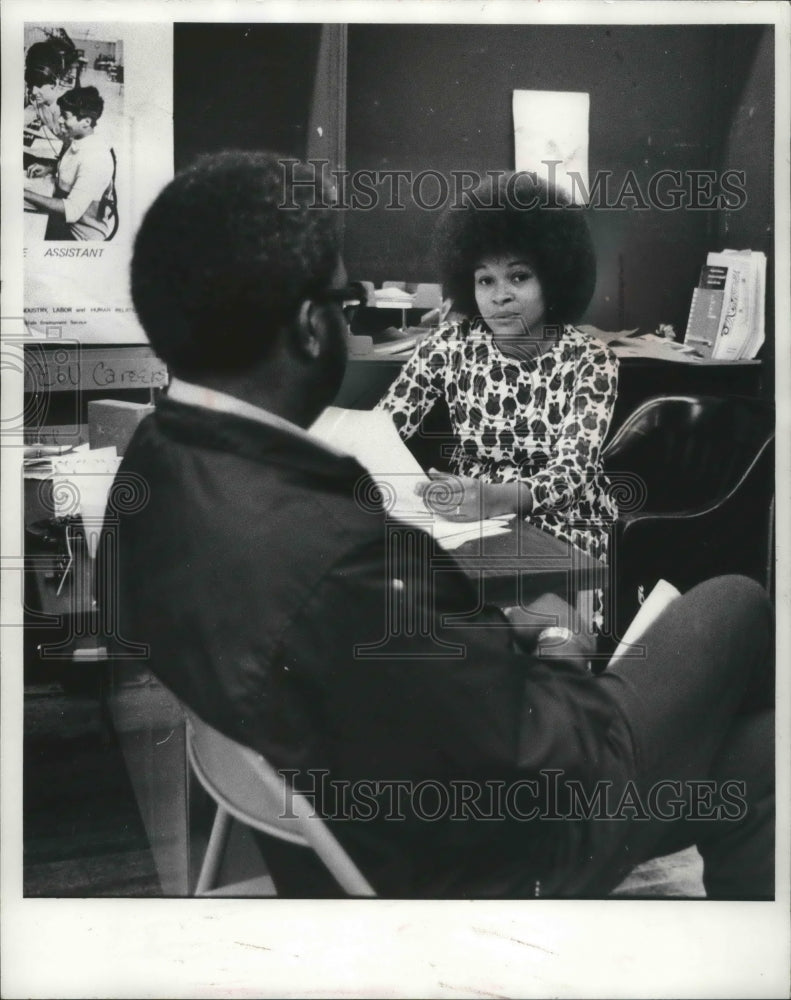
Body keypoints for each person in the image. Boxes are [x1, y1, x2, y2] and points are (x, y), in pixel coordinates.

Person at [109, 151, 774, 899]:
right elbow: (538, 754)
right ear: (307, 326)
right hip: (500, 852)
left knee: (759, 763)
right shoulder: (340, 558)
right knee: (735, 600)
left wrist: (485, 617)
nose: (497, 296)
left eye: (515, 277)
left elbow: (423, 674)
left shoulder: (154, 461)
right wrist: (558, 640)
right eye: (345, 299)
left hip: (352, 806)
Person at [376, 174, 617, 628]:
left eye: (519, 276)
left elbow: (571, 471)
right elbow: (385, 425)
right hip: (471, 522)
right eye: (485, 280)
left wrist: (494, 498)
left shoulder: (592, 359)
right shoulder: (449, 344)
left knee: (548, 627)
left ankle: (565, 666)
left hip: (559, 522)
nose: (500, 295)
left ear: (555, 276)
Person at [24, 85, 116, 241]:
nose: (59, 120)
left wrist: (24, 193)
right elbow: (74, 167)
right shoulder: (80, 140)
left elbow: (71, 211)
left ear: (86, 122)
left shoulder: (95, 158)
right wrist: (51, 168)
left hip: (79, 235)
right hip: (66, 222)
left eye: (65, 116)